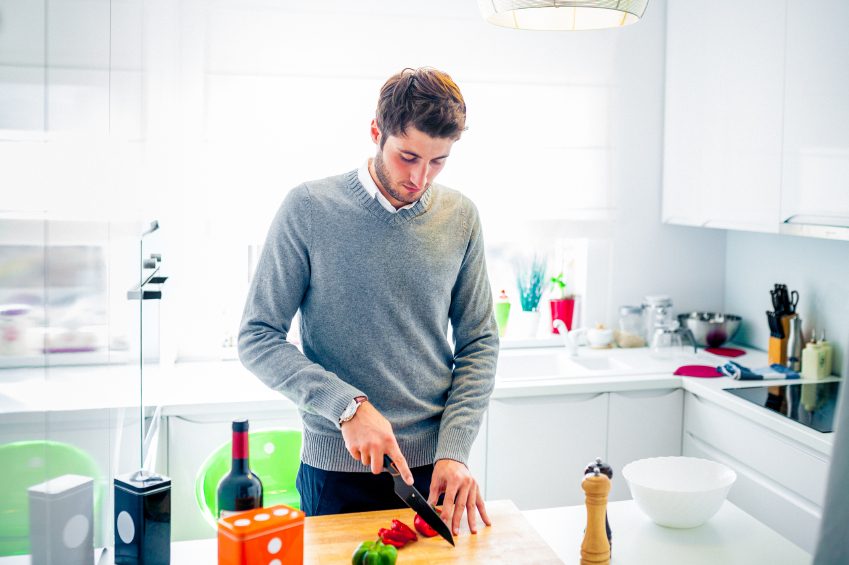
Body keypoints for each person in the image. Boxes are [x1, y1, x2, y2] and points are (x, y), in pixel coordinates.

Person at [238, 67, 499, 536]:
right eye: (408, 157)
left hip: (434, 472)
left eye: (438, 161)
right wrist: (348, 406)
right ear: (376, 133)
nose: (420, 177)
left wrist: (455, 449)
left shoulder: (460, 217)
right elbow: (257, 337)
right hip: (337, 474)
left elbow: (479, 342)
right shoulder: (309, 209)